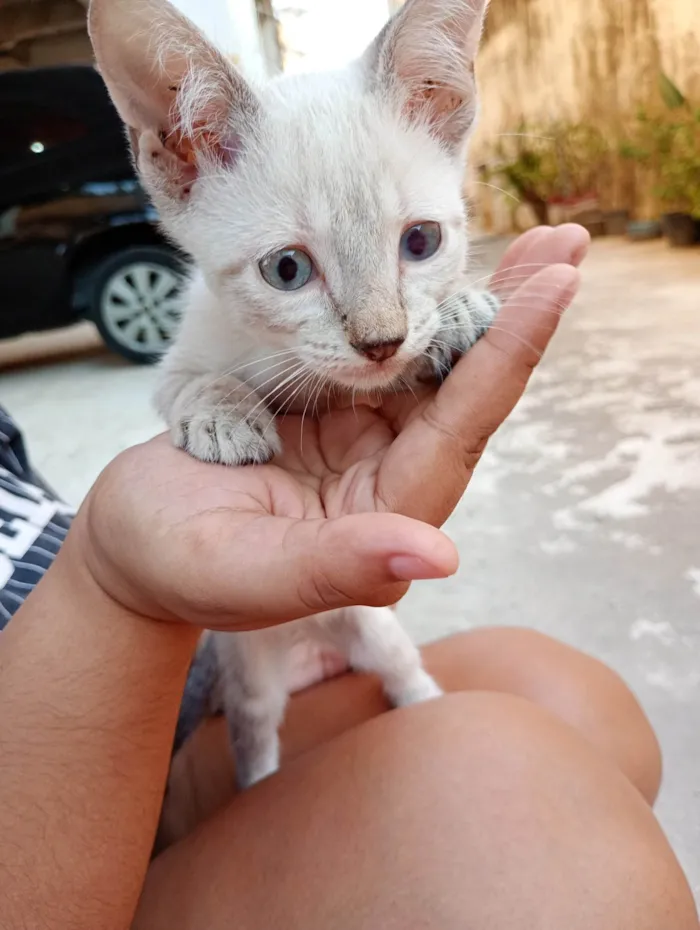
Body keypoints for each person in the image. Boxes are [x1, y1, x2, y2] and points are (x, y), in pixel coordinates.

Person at [0, 226, 695, 930]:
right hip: (49, 837)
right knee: (517, 819)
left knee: (577, 701)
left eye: (418, 239)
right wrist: (112, 584)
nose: (380, 328)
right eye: (290, 265)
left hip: (166, 714)